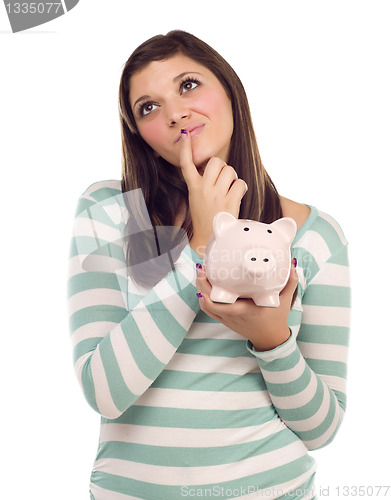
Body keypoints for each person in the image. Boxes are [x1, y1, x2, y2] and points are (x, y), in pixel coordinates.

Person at [67, 30, 351, 500]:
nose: (176, 112)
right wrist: (200, 244)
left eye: (188, 85)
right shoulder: (112, 210)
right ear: (139, 134)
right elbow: (105, 390)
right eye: (148, 106)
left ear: (230, 90)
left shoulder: (314, 236)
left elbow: (322, 429)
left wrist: (272, 340)